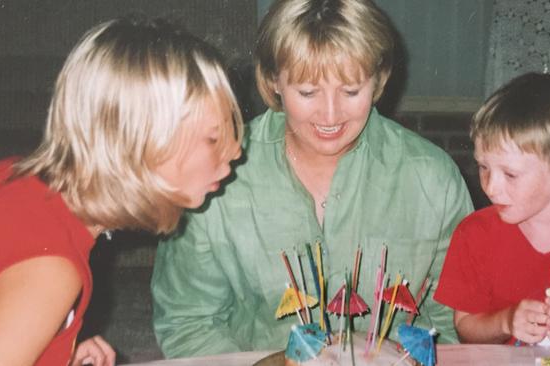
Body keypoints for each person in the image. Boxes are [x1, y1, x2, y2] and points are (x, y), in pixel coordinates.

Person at [151, 0, 474, 358]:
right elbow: (188, 322)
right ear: (273, 80)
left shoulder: (432, 180)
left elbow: (455, 324)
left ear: (378, 80)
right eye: (307, 92)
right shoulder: (215, 178)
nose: (331, 114)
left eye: (351, 91)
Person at [0, 17, 243, 366]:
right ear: (136, 146)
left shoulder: (14, 176)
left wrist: (54, 348)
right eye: (213, 138)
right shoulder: (49, 272)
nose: (235, 151)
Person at [434, 73, 550, 347]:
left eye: (510, 174)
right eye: (483, 167)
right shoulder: (474, 234)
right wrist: (506, 321)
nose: (491, 188)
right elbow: (465, 327)